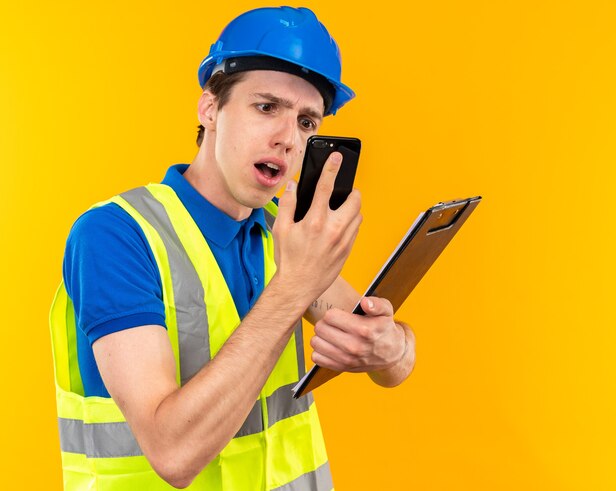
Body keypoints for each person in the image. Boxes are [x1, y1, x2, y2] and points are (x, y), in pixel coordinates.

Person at [50, 6, 415, 491]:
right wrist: (295, 287)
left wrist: (390, 346)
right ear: (210, 110)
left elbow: (393, 363)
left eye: (308, 122)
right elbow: (173, 452)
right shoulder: (115, 235)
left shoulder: (277, 236)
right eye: (267, 108)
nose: (289, 139)